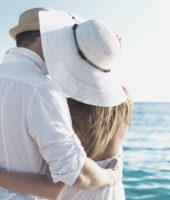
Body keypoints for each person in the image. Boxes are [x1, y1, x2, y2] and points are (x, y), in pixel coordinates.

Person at [0, 9, 133, 200]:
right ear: (41, 37)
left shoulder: (56, 98)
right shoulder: (124, 99)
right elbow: (69, 178)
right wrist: (110, 176)